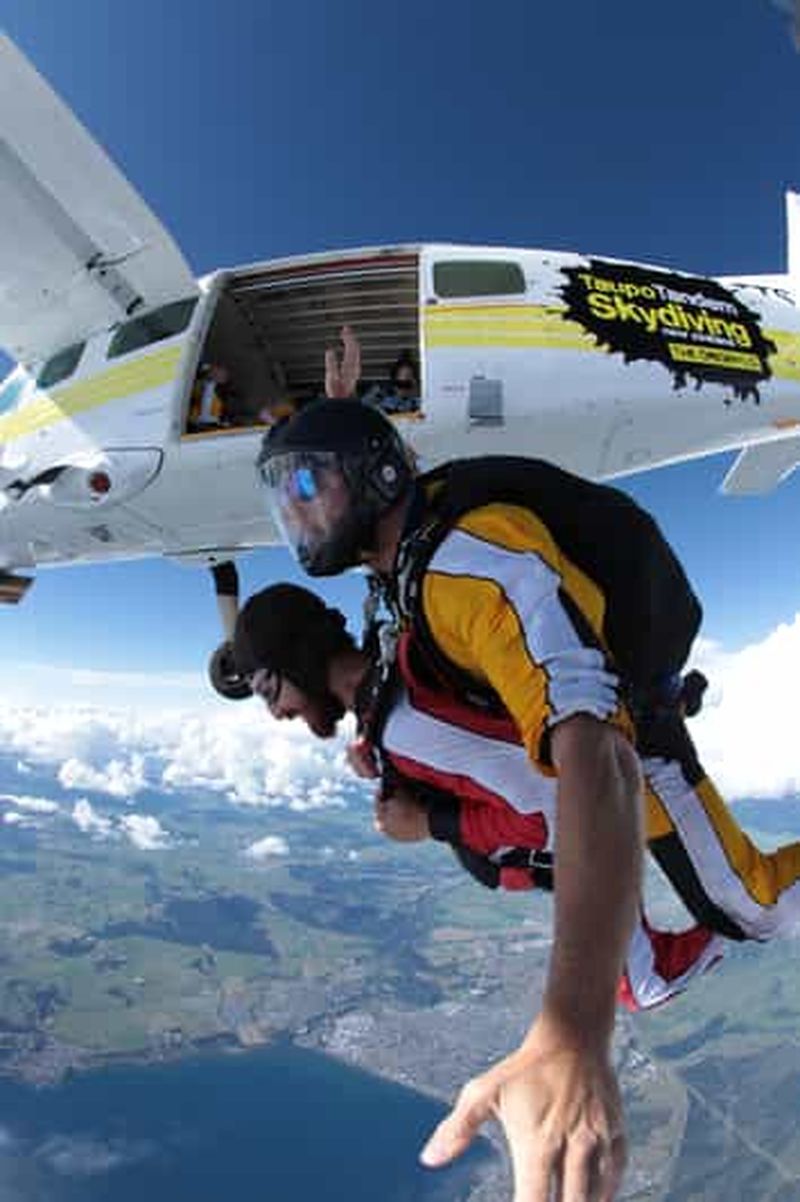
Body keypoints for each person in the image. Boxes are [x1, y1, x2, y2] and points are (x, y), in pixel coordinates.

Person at [254, 398, 800, 1201]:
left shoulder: (470, 563)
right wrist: (331, 406)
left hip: (639, 744)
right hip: (622, 739)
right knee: (712, 926)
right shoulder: (405, 569)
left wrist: (573, 1030)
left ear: (374, 474)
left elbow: (593, 751)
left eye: (308, 484)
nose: (296, 513)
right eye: (283, 496)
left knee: (751, 907)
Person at [233, 581, 726, 1015]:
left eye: (269, 690)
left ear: (298, 658)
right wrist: (377, 753)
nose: (276, 713)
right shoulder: (390, 678)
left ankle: (656, 965)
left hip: (585, 810)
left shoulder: (405, 725)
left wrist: (430, 824)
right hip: (587, 764)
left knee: (639, 979)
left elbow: (561, 806)